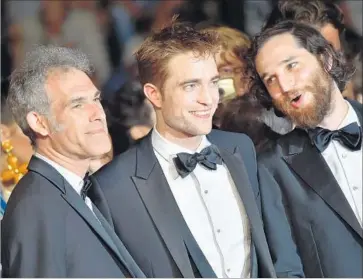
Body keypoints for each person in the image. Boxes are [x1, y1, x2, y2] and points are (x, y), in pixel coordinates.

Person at [89, 20, 304, 278]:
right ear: (154, 94)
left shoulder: (241, 148)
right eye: (190, 86)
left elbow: (279, 251)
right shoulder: (112, 186)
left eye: (213, 82)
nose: (209, 98)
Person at [1, 45, 145, 278]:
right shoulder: (37, 207)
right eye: (77, 104)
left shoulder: (76, 189)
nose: (97, 113)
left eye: (96, 99)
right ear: (40, 123)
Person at [248, 20, 362, 277]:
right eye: (271, 80)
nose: (285, 86)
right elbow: (286, 270)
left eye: (292, 66)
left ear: (326, 60)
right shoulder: (272, 167)